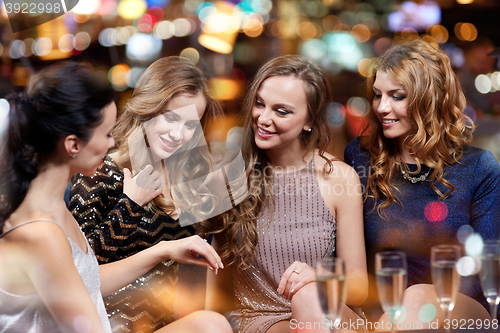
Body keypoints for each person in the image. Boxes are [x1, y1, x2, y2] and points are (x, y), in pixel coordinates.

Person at [0, 62, 232, 333]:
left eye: (191, 125)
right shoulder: (44, 228)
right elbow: (89, 306)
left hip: (152, 318)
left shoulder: (55, 213)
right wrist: (130, 207)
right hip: (116, 323)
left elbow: (87, 280)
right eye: (108, 134)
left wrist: (164, 250)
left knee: (211, 323)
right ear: (73, 144)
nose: (113, 143)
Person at [344, 37, 500, 329]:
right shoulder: (360, 156)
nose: (382, 107)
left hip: (464, 307)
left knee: (417, 299)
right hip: (385, 310)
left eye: (397, 96)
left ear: (429, 99)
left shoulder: (479, 167)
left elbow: (488, 267)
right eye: (378, 95)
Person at [208, 55, 368, 333]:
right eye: (259, 104)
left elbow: (358, 288)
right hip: (262, 321)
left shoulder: (339, 177)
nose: (263, 118)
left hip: (331, 318)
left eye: (281, 111)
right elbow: (206, 281)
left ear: (309, 121)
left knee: (310, 296)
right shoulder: (229, 180)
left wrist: (318, 278)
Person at [68, 56, 226, 331]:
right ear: (148, 108)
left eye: (190, 125)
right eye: (171, 118)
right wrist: (130, 204)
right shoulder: (100, 171)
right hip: (103, 324)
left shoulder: (187, 180)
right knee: (211, 325)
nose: (178, 134)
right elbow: (82, 272)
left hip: (160, 325)